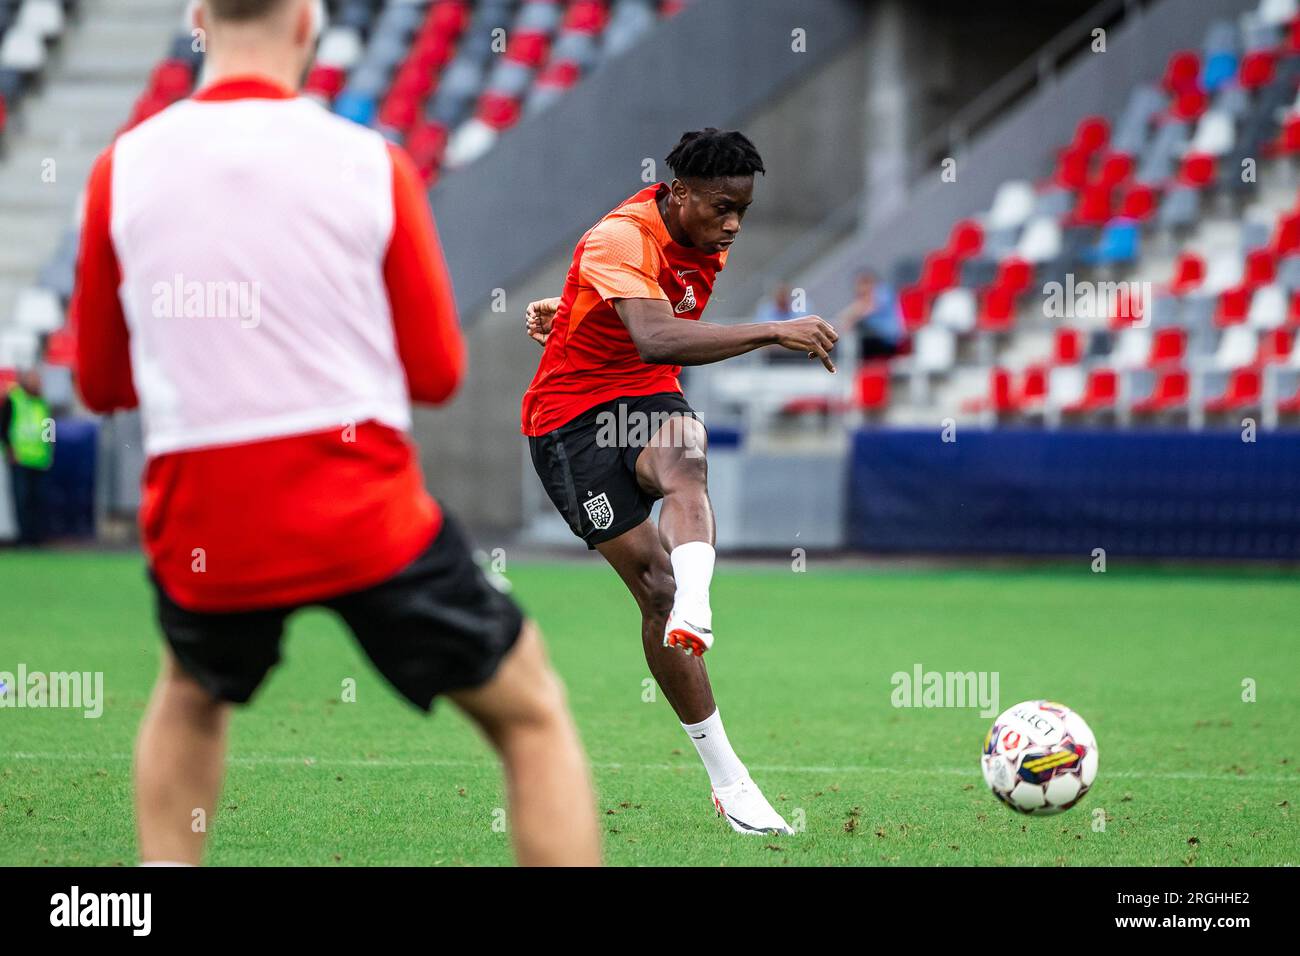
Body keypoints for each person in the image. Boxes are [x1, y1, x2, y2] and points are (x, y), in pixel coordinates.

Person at [71, 0, 599, 867]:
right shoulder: (369, 163)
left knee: (191, 692)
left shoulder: (120, 169)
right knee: (531, 713)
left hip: (207, 519)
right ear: (309, 21)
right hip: (360, 511)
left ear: (198, 17)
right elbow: (436, 374)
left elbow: (98, 384)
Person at [521, 128, 838, 835]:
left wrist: (566, 301)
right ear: (679, 192)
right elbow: (656, 334)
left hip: (644, 393)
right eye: (723, 207)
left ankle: (700, 619)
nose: (732, 225)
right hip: (570, 420)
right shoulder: (622, 235)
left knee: (687, 465)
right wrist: (772, 330)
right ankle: (719, 753)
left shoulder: (701, 235)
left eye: (744, 212)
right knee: (653, 588)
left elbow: (635, 324)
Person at [1, 367, 54, 545]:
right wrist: (10, 449)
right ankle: (24, 538)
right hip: (20, 459)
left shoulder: (43, 402)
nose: (38, 383)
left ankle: (36, 537)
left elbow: (49, 429)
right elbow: (4, 427)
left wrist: (49, 451)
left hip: (39, 460)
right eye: (34, 379)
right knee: (22, 500)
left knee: (38, 500)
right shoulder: (14, 399)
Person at [835, 268, 903, 360]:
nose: (858, 289)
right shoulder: (865, 300)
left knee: (857, 326)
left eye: (861, 284)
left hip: (889, 341)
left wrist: (849, 317)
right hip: (874, 340)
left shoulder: (883, 292)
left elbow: (866, 309)